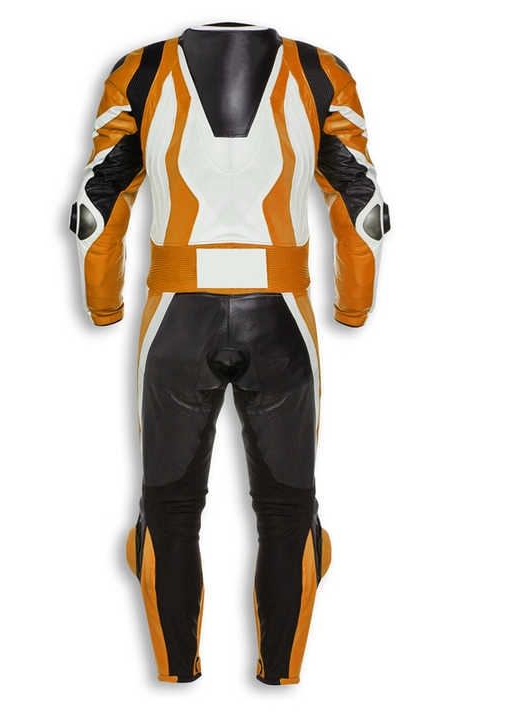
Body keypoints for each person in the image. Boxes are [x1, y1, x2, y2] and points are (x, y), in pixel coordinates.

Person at [69, 21, 390, 685]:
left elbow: (97, 204)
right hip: (281, 317)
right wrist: (353, 304)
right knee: (289, 511)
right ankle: (281, 672)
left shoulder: (139, 71)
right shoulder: (321, 71)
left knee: (168, 509)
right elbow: (362, 205)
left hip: (175, 318)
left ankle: (175, 669)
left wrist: (103, 302)